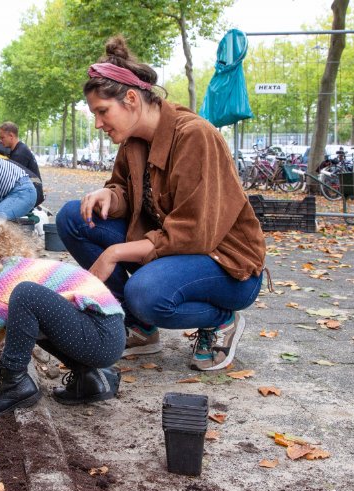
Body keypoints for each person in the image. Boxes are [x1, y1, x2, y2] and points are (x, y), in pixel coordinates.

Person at [56, 35, 267, 372]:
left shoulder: (194, 136)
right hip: (172, 251)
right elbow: (126, 189)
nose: (97, 123)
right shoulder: (132, 141)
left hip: (224, 264)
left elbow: (194, 234)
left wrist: (114, 253)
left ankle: (221, 320)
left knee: (145, 294)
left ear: (130, 99)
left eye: (102, 112)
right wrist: (110, 196)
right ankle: (140, 328)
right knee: (73, 217)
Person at [0, 209, 126, 417]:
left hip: (101, 337)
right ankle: (90, 380)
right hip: (107, 332)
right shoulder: (14, 269)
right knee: (28, 314)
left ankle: (14, 383)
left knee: (26, 294)